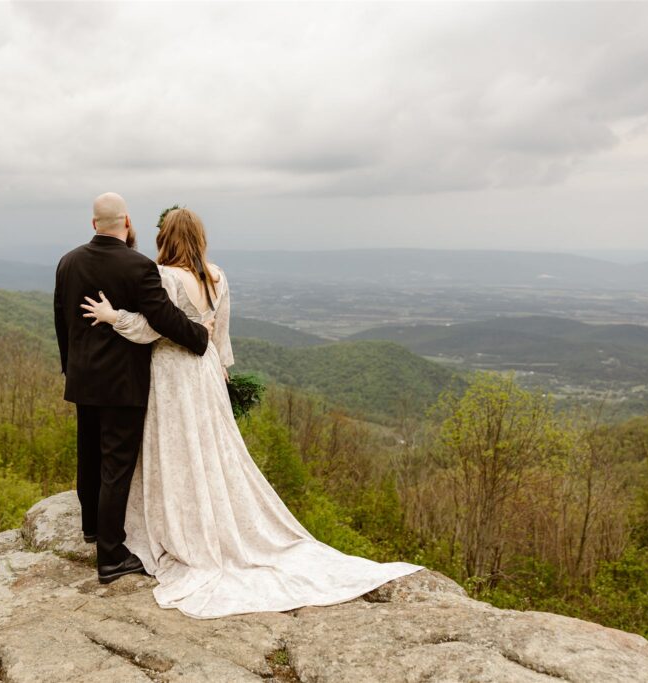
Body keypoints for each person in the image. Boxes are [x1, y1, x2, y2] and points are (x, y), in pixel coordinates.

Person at [80, 207, 424, 618]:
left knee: (176, 448)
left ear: (165, 238)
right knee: (211, 447)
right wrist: (223, 371)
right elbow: (220, 333)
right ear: (200, 237)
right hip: (206, 371)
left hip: (172, 374)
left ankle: (183, 522)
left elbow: (154, 328)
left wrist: (112, 316)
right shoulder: (217, 275)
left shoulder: (165, 276)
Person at [53, 192, 213, 584]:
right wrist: (200, 336)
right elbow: (163, 318)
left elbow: (61, 321)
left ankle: (91, 527)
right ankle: (111, 555)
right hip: (122, 382)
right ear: (126, 222)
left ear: (94, 224)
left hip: (83, 377)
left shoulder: (68, 262)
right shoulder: (139, 265)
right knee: (116, 466)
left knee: (88, 454)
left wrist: (69, 368)